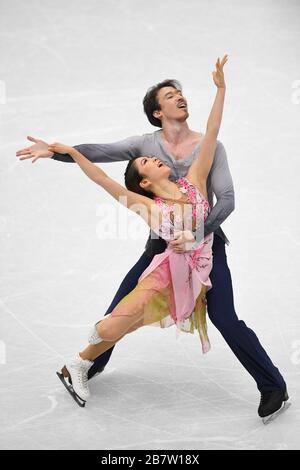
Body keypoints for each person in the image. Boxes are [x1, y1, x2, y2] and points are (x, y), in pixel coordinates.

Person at [16, 55, 289, 423]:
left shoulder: (206, 152)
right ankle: (85, 363)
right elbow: (100, 161)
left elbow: (226, 199)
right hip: (162, 246)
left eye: (181, 93)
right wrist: (57, 152)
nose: (180, 97)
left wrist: (196, 233)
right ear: (157, 112)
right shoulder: (145, 146)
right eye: (170, 95)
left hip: (206, 244)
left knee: (225, 316)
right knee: (122, 303)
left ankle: (273, 387)